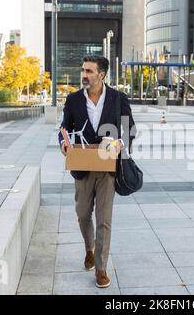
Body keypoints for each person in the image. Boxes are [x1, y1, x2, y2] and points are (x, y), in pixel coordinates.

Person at [58, 55, 136, 288]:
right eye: (83, 70)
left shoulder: (118, 98)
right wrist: (63, 143)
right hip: (82, 166)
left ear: (101, 74)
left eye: (89, 71)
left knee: (104, 219)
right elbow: (64, 127)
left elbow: (129, 128)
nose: (84, 75)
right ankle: (89, 248)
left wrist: (122, 143)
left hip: (107, 167)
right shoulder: (73, 100)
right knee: (83, 214)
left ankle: (101, 268)